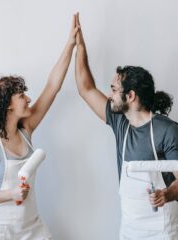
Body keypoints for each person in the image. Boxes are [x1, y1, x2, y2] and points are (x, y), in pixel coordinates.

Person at [0, 14, 79, 240]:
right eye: (21, 96)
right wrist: (10, 193)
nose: (28, 99)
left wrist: (70, 44)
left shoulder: (26, 129)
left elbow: (52, 87)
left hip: (30, 227)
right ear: (7, 105)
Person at [74, 13, 178, 239]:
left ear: (130, 96)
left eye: (113, 90)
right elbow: (85, 88)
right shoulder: (120, 122)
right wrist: (79, 46)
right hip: (130, 229)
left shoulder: (167, 130)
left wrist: (167, 194)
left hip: (161, 230)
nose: (109, 95)